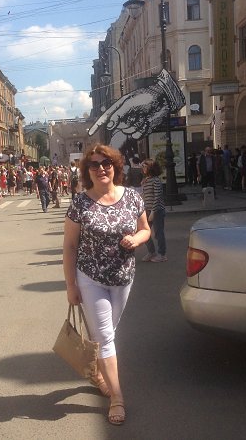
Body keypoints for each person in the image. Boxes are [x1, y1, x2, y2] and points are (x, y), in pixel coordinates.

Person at [63, 143, 150, 426]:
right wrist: (71, 285)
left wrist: (136, 239)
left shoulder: (132, 197)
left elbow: (145, 229)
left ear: (115, 167)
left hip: (123, 277)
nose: (101, 169)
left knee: (106, 333)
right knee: (105, 336)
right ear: (87, 171)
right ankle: (117, 397)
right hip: (91, 277)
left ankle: (99, 373)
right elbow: (70, 246)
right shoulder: (80, 203)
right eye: (94, 165)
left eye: (106, 163)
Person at [141, 159, 166, 262]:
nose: (143, 168)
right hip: (147, 210)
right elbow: (144, 196)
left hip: (157, 210)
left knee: (158, 233)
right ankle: (151, 252)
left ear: (150, 167)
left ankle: (162, 254)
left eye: (144, 166)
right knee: (143, 231)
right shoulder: (146, 180)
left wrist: (153, 212)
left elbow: (157, 196)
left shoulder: (156, 180)